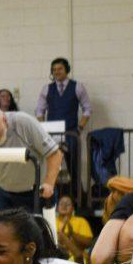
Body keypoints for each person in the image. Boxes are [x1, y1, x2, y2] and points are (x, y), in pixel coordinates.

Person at [0, 105, 63, 211]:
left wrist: (49, 183)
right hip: (3, 192)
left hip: (35, 193)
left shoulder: (24, 123)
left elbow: (55, 154)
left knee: (37, 226)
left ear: (4, 120)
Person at [35, 57, 91, 198]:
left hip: (71, 133)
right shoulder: (47, 89)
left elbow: (87, 110)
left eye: (59, 69)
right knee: (51, 168)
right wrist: (43, 128)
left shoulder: (78, 87)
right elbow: (39, 111)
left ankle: (78, 199)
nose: (56, 72)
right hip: (52, 135)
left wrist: (80, 127)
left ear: (67, 69)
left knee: (74, 167)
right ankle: (50, 198)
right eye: (54, 70)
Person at [54, 194, 93, 264]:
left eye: (68, 204)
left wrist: (72, 234)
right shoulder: (51, 221)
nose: (64, 206)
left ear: (73, 208)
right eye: (61, 203)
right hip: (56, 258)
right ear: (56, 208)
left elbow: (88, 243)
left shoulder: (81, 221)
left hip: (78, 259)